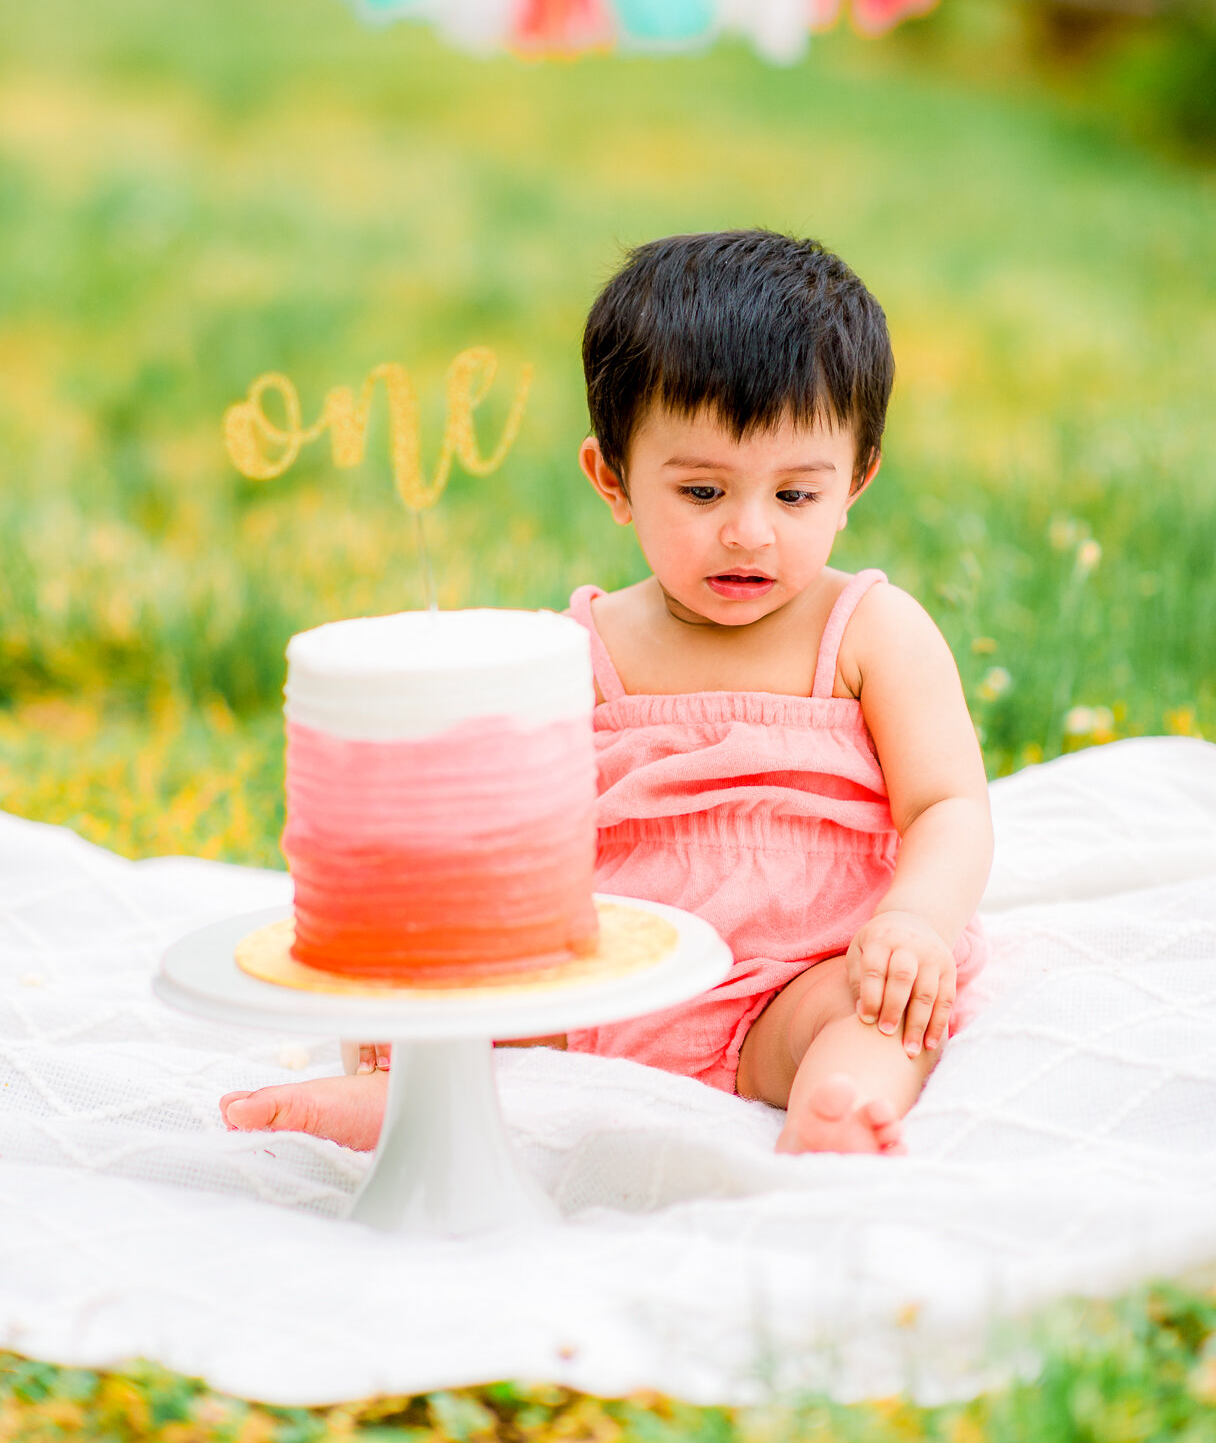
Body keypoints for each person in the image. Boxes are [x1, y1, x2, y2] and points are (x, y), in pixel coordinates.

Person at [221, 230, 990, 1156]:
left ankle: (837, 1106)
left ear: (855, 480)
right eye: (703, 490)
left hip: (801, 972)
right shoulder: (579, 649)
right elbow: (514, 822)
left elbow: (948, 802)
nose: (749, 533)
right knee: (433, 1002)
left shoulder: (869, 630)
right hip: (612, 978)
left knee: (882, 1011)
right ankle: (400, 1102)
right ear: (613, 479)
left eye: (794, 496)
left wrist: (914, 921)